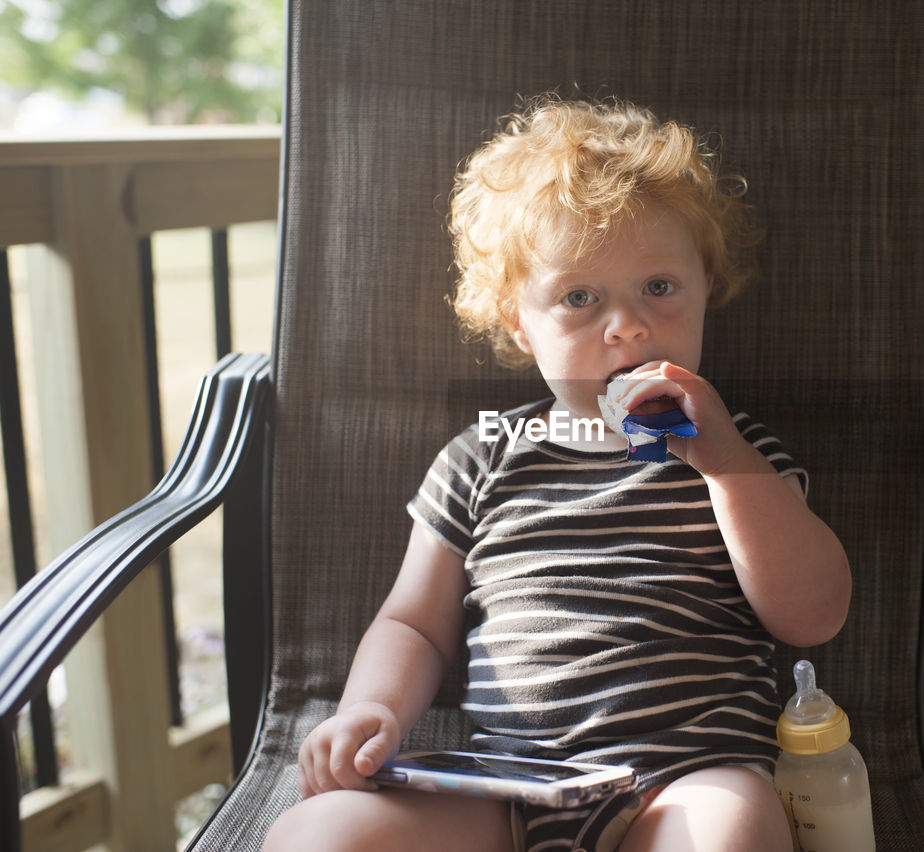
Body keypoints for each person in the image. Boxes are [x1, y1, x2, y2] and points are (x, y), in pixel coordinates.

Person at [262, 96, 851, 852]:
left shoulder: (741, 457)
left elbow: (813, 617)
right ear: (518, 322)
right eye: (580, 298)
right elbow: (413, 621)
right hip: (503, 789)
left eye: (660, 288)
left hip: (683, 780)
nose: (629, 326)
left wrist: (727, 464)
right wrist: (370, 709)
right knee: (318, 836)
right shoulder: (482, 458)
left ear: (707, 288)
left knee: (735, 828)